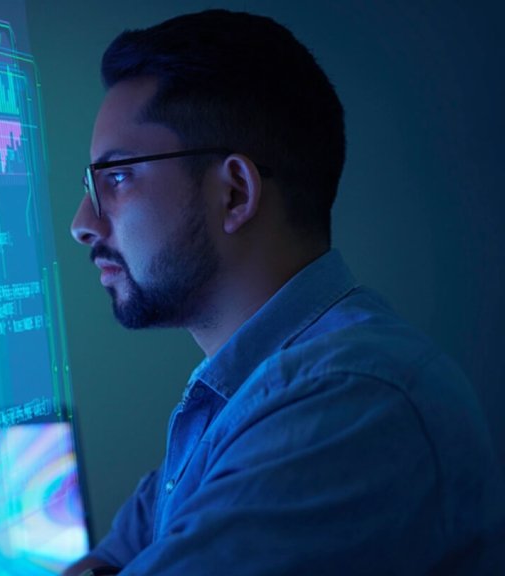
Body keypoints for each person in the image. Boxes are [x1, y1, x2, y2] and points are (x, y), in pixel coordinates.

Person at [64, 9, 505, 575]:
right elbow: (113, 557)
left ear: (235, 194)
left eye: (117, 177)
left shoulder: (349, 403)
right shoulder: (241, 397)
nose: (83, 222)